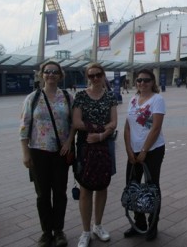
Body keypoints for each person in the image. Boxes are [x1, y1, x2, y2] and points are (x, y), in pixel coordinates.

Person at [20, 61, 73, 247]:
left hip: (61, 152)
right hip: (38, 151)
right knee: (42, 194)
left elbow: (74, 123)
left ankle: (58, 230)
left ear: (60, 75)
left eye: (54, 72)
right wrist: (25, 153)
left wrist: (69, 141)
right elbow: (24, 126)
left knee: (60, 192)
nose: (51, 74)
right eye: (47, 71)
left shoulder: (67, 97)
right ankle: (46, 231)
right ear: (42, 75)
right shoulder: (32, 98)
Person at [72, 63, 117, 247]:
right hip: (85, 146)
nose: (95, 78)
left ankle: (97, 225)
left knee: (102, 185)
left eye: (98, 74)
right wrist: (100, 129)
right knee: (85, 188)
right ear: (87, 77)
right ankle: (85, 231)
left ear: (103, 75)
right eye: (91, 76)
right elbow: (76, 122)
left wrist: (101, 134)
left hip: (105, 145)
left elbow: (113, 122)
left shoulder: (110, 96)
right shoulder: (81, 96)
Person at [123, 69, 166, 241]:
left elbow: (156, 128)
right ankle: (138, 222)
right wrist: (128, 150)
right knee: (132, 185)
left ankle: (152, 225)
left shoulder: (157, 99)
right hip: (133, 151)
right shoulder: (133, 100)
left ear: (152, 82)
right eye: (139, 80)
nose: (142, 83)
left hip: (152, 150)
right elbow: (127, 126)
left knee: (152, 187)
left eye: (146, 80)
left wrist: (144, 151)